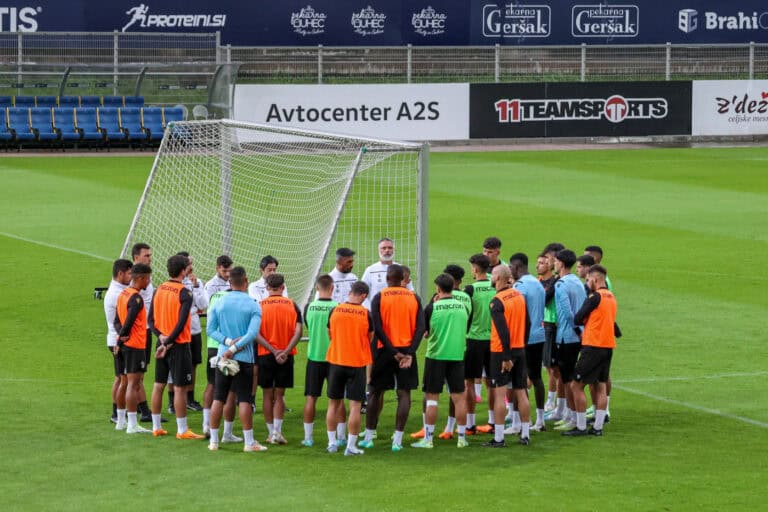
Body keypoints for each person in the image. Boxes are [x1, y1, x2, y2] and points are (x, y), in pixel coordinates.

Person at [362, 264, 425, 452]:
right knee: (404, 394)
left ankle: (368, 437)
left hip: (384, 350)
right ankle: (397, 441)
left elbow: (377, 328)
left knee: (374, 392)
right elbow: (421, 328)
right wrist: (409, 353)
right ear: (403, 278)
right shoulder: (414, 297)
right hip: (406, 351)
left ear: (388, 279)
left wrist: (392, 352)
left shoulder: (379, 297)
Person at [206, 266, 268, 452]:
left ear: (230, 282)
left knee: (219, 398)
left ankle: (214, 441)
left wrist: (226, 343)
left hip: (223, 356)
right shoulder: (253, 304)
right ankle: (249, 443)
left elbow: (210, 330)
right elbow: (252, 334)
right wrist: (234, 348)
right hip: (244, 358)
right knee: (244, 400)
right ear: (246, 281)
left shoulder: (220, 302)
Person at [148, 254, 204, 439]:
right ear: (183, 271)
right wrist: (170, 341)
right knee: (180, 388)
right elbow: (181, 324)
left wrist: (162, 339)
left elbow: (151, 320)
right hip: (178, 344)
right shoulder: (184, 293)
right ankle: (182, 430)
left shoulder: (158, 289)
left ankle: (156, 427)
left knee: (158, 385)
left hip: (161, 341)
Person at [411, 274, 470, 449]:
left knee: (432, 399)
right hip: (457, 356)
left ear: (438, 288)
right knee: (459, 399)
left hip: (436, 357)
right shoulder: (463, 307)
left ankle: (428, 439)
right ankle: (462, 438)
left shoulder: (432, 308)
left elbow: (425, 332)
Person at [563, 265, 617, 437]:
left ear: (595, 279)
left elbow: (578, 317)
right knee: (600, 385)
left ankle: (580, 427)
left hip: (593, 346)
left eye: (587, 280)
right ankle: (598, 428)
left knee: (576, 385)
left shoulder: (594, 297)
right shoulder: (611, 296)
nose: (586, 284)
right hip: (608, 346)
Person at [485, 264, 531, 447]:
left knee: (499, 394)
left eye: (493, 275)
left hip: (501, 352)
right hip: (520, 349)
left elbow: (502, 331)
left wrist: (506, 357)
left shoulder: (497, 301)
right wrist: (522, 346)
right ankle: (525, 434)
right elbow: (528, 322)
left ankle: (498, 438)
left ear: (498, 278)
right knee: (521, 391)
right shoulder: (518, 295)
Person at [325, 281, 372, 455]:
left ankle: (332, 443)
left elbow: (330, 333)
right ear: (364, 296)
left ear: (350, 292)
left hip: (336, 361)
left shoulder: (335, 310)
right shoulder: (365, 314)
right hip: (357, 363)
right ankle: (351, 446)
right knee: (355, 406)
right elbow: (370, 337)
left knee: (333, 404)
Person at [254, 273, 302, 445]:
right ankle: (277, 432)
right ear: (283, 287)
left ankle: (270, 433)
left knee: (267, 394)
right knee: (280, 395)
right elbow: (299, 332)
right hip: (286, 356)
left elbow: (256, 333)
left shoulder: (259, 306)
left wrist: (273, 351)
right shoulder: (292, 305)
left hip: (266, 355)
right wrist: (285, 351)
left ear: (267, 288)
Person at [303, 274, 345, 447]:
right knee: (338, 399)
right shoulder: (339, 308)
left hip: (314, 357)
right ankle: (341, 437)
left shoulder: (309, 307)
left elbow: (308, 326)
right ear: (333, 288)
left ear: (317, 288)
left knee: (311, 398)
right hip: (335, 358)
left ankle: (308, 438)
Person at [113, 263, 153, 434]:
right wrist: (122, 340)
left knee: (124, 382)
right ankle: (132, 424)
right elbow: (128, 323)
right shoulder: (136, 298)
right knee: (133, 385)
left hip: (124, 345)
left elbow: (116, 321)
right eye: (148, 278)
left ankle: (121, 421)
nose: (149, 281)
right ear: (141, 278)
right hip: (135, 346)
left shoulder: (123, 294)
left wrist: (119, 339)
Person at [509, 253, 547, 432]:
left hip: (524, 338)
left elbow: (518, 312)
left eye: (510, 268)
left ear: (517, 267)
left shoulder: (520, 286)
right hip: (539, 335)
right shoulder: (537, 283)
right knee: (537, 377)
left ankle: (517, 423)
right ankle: (540, 420)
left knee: (519, 380)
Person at [552, 249, 587, 432]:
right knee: (572, 378)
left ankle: (573, 417)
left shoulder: (561, 284)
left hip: (566, 336)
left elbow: (566, 311)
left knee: (568, 380)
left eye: (556, 261)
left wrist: (573, 328)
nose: (554, 264)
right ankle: (572, 416)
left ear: (561, 264)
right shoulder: (578, 282)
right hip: (579, 335)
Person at [463, 254, 496, 434]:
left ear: (475, 269)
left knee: (469, 383)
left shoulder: (470, 289)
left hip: (474, 339)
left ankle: (470, 424)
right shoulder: (495, 287)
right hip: (492, 340)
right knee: (491, 382)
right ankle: (491, 422)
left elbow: (466, 315)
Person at [175, 252, 208, 413]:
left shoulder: (197, 282)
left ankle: (190, 398)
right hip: (179, 330)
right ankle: (172, 400)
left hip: (194, 329)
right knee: (175, 365)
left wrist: (196, 287)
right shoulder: (175, 283)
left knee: (193, 364)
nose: (192, 266)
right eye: (189, 263)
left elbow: (203, 304)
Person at [104, 259, 132, 424]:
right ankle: (118, 413)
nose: (131, 276)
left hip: (115, 338)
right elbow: (121, 320)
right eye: (129, 273)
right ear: (120, 273)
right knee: (124, 379)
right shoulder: (116, 294)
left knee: (120, 378)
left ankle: (118, 411)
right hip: (118, 341)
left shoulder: (118, 289)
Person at [130, 243, 155, 422]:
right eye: (146, 255)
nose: (149, 258)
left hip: (145, 330)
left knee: (140, 373)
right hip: (137, 333)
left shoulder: (146, 278)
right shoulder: (134, 280)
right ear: (136, 257)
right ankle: (140, 411)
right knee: (133, 376)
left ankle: (139, 409)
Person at [361, 238, 413, 310]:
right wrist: (370, 310)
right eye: (383, 248)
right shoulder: (370, 270)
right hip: (377, 312)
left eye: (390, 248)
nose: (387, 250)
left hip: (398, 310)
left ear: (394, 250)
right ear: (379, 250)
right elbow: (362, 293)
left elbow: (410, 291)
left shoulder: (401, 269)